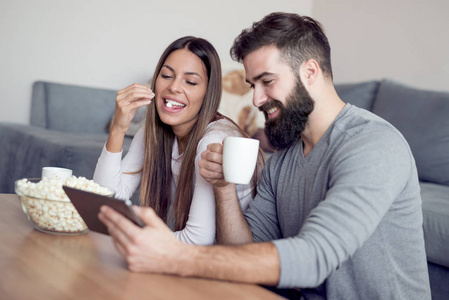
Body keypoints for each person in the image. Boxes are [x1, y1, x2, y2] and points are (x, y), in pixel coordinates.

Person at [98, 13, 431, 299]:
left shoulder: (373, 144)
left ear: (310, 72)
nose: (256, 99)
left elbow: (315, 257)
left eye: (267, 81)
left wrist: (176, 257)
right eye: (251, 85)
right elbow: (244, 251)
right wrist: (224, 186)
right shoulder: (284, 159)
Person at [93, 36, 263, 246]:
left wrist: (133, 238)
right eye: (166, 75)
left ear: (208, 93)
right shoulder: (153, 133)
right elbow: (105, 201)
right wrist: (118, 128)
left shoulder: (213, 140)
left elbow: (197, 239)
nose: (173, 87)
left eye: (190, 82)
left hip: (227, 263)